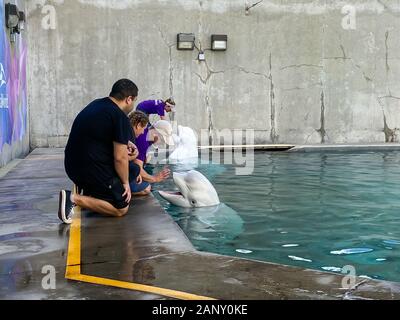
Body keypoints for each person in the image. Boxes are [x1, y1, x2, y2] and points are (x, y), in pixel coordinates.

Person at [59, 79, 139, 224]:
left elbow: (96, 133)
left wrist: (126, 143)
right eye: (133, 101)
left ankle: (92, 193)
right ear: (129, 99)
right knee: (121, 207)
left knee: (134, 168)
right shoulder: (119, 116)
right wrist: (125, 183)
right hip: (90, 170)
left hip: (72, 167)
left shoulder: (95, 105)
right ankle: (73, 198)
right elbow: (120, 158)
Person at [132, 119, 175, 193]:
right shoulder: (143, 140)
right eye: (162, 139)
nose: (163, 143)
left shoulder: (147, 135)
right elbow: (138, 168)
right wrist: (155, 178)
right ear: (155, 133)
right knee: (146, 189)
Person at [127, 111, 153, 196]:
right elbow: (119, 159)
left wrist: (136, 172)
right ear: (138, 125)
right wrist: (155, 178)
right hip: (105, 176)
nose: (142, 132)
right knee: (147, 188)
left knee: (135, 169)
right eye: (143, 128)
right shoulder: (129, 136)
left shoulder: (127, 133)